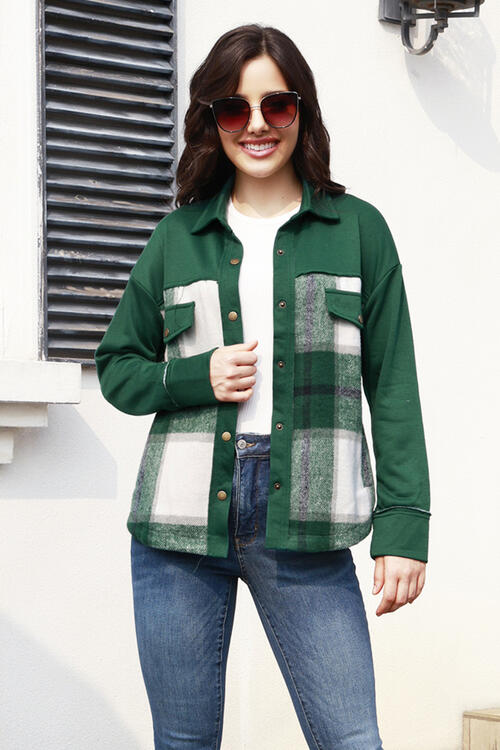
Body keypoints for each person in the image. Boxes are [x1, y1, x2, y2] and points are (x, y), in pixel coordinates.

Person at [94, 23, 431, 750]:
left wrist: (404, 526)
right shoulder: (176, 238)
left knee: (352, 738)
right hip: (179, 526)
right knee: (183, 742)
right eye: (233, 108)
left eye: (275, 105)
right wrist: (196, 376)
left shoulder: (358, 231)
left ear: (301, 110)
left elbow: (393, 386)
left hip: (307, 522)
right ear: (211, 121)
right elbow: (118, 368)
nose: (256, 125)